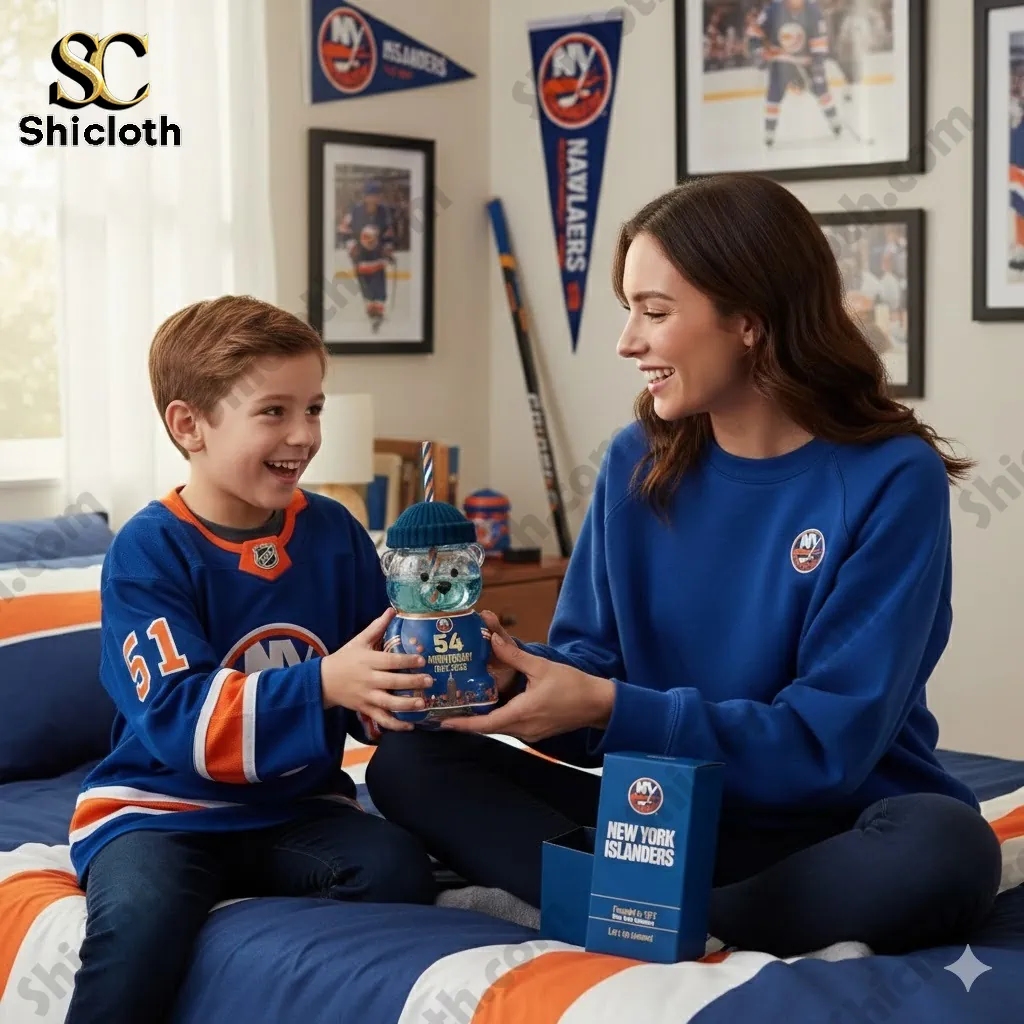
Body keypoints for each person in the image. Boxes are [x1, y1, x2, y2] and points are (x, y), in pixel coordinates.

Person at [366, 174, 1004, 959]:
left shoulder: (888, 477)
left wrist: (606, 703)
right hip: (659, 820)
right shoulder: (638, 460)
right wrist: (508, 676)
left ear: (748, 320)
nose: (627, 341)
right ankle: (661, 908)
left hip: (825, 827)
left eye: (654, 312)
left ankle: (635, 910)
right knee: (412, 763)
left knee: (945, 847)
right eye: (628, 309)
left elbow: (826, 749)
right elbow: (591, 668)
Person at [66, 296, 437, 1024]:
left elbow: (371, 694)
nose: (304, 435)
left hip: (293, 807)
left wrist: (435, 663)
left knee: (398, 868)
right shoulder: (149, 552)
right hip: (159, 812)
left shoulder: (333, 530)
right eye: (273, 411)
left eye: (314, 408)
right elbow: (181, 720)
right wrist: (327, 681)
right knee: (142, 919)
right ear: (189, 426)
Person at [756, 0, 842, 147]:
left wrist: (817, 63)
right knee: (774, 95)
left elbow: (819, 39)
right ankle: (769, 133)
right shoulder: (773, 9)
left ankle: (834, 122)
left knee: (821, 90)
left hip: (806, 61)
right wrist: (759, 51)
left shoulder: (813, 10)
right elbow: (756, 31)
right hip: (781, 62)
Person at [337, 179, 395, 333]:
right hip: (361, 258)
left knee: (379, 287)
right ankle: (371, 313)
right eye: (370, 195)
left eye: (376, 195)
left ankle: (379, 314)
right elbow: (343, 229)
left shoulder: (383, 213)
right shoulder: (355, 212)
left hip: (377, 258)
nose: (373, 199)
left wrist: (388, 249)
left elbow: (387, 233)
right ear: (365, 197)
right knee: (367, 288)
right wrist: (352, 246)